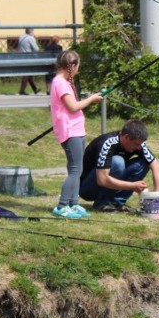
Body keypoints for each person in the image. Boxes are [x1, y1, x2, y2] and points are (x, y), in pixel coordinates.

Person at [49, 50, 104, 218]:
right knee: (75, 170)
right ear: (72, 66)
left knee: (76, 170)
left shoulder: (62, 82)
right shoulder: (61, 83)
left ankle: (74, 203)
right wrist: (91, 99)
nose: (79, 69)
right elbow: (73, 107)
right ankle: (62, 206)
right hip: (70, 132)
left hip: (77, 130)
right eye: (78, 65)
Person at [79, 119, 159, 212]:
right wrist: (132, 186)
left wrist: (158, 199)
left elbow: (156, 166)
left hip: (107, 180)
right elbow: (102, 180)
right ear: (126, 137)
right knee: (117, 162)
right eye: (136, 144)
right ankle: (103, 203)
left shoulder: (138, 144)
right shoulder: (108, 143)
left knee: (143, 164)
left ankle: (117, 203)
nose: (138, 147)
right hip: (87, 188)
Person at [17, 28, 40, 95]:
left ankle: (35, 89)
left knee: (28, 73)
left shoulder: (21, 37)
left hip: (21, 57)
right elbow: (36, 49)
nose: (33, 33)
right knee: (27, 74)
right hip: (29, 57)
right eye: (33, 31)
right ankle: (22, 91)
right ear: (31, 31)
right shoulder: (30, 38)